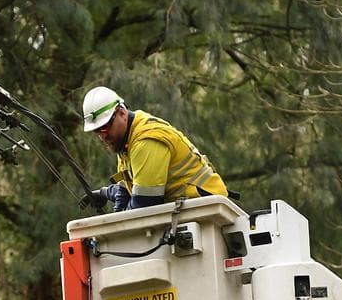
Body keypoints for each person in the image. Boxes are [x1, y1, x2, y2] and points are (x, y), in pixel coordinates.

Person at [78, 86, 230, 212]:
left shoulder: (145, 141)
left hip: (206, 207)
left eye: (105, 127)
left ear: (122, 113)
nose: (102, 136)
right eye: (97, 131)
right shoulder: (125, 142)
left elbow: (144, 205)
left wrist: (115, 227)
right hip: (188, 208)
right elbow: (128, 189)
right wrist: (105, 193)